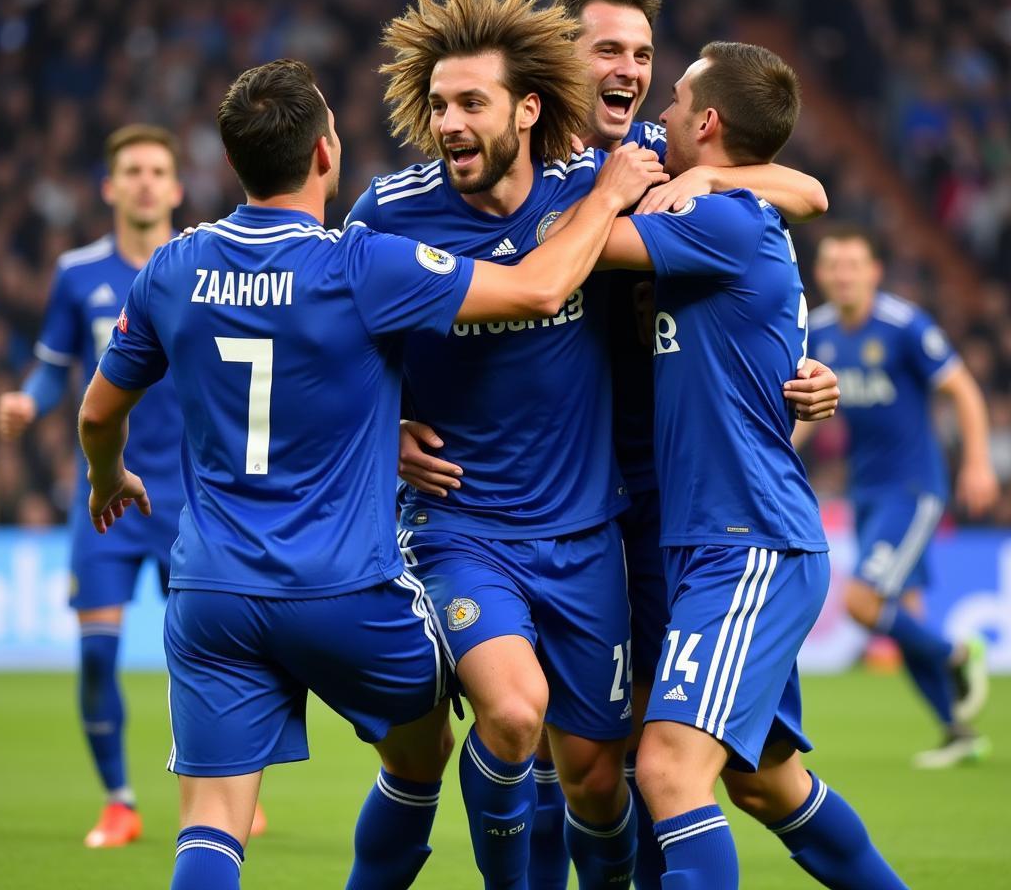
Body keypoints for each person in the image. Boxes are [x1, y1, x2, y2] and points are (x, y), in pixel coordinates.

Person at [77, 57, 664, 890]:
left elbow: (99, 414)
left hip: (209, 592)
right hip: (347, 594)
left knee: (210, 828)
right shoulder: (361, 263)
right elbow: (536, 290)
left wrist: (108, 479)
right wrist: (606, 197)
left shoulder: (172, 267)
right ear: (326, 153)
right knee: (424, 755)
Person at [355, 0, 834, 890]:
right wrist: (388, 429)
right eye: (608, 49)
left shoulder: (647, 159)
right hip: (487, 511)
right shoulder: (399, 205)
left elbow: (799, 190)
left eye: (645, 56)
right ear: (554, 71)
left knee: (635, 773)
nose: (629, 72)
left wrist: (693, 177)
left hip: (627, 516)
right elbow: (345, 337)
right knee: (527, 728)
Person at [562, 41, 908, 889]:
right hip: (713, 540)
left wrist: (619, 189)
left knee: (670, 772)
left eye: (676, 98)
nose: (663, 111)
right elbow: (801, 188)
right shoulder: (722, 206)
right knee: (764, 783)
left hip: (744, 541)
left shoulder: (720, 220)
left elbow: (579, 246)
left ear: (708, 122)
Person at [0, 125, 198, 848]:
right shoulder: (79, 274)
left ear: (176, 188)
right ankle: (119, 800)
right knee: (96, 655)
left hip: (190, 499)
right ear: (110, 189)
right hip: (106, 496)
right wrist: (29, 398)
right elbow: (55, 366)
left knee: (208, 655)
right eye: (132, 171)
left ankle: (219, 785)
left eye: (157, 171)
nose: (145, 182)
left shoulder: (201, 267)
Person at [796, 227, 997, 767]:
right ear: (821, 274)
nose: (842, 274)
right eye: (834, 265)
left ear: (873, 272)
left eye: (853, 265)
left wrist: (977, 461)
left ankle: (957, 653)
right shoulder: (818, 330)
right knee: (904, 612)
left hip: (913, 488)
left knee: (863, 603)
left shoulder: (905, 326)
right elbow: (812, 413)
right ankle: (957, 731)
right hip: (867, 489)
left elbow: (963, 390)